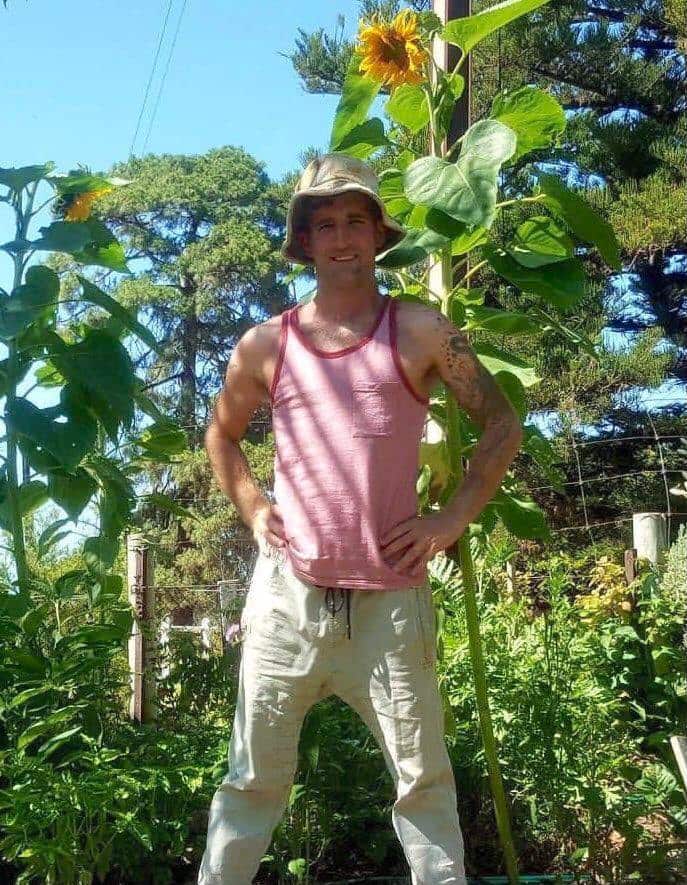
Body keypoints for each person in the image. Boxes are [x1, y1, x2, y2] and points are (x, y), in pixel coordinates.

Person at [198, 154, 523, 884]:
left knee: (424, 785)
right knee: (250, 783)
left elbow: (501, 424)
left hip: (391, 604)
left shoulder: (424, 331)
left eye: (355, 221)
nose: (341, 238)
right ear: (303, 242)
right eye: (323, 225)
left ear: (379, 233)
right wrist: (254, 507)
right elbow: (220, 434)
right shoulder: (265, 344)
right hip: (288, 600)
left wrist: (449, 518)